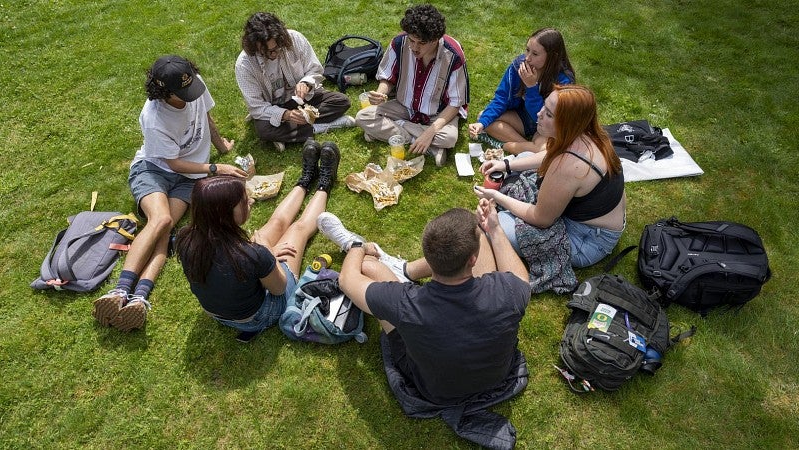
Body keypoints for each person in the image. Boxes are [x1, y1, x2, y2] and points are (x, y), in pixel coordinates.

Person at [316, 204, 531, 411]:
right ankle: (404, 269)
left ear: (428, 258)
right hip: (495, 377)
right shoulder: (508, 292)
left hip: (435, 389)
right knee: (480, 238)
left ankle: (375, 257)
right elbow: (522, 279)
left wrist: (357, 247)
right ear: (472, 261)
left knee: (368, 266)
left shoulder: (406, 302)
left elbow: (347, 280)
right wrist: (494, 228)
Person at [92, 55, 247, 332]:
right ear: (164, 91)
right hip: (154, 171)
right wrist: (214, 167)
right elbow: (173, 163)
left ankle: (139, 298)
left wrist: (221, 144)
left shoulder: (193, 85)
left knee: (166, 231)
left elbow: (206, 115)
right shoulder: (153, 117)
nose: (191, 95)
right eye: (182, 93)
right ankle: (119, 291)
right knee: (161, 221)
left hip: (189, 178)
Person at [176, 140, 340, 339]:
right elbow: (278, 289)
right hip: (259, 314)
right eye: (245, 201)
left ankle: (305, 181)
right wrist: (269, 253)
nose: (251, 201)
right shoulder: (251, 253)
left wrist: (261, 252)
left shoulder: (185, 238)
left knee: (277, 223)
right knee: (298, 230)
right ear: (225, 214)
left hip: (221, 313)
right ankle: (324, 184)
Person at [474, 84, 626, 268]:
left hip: (585, 240)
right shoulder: (587, 133)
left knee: (490, 227)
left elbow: (541, 219)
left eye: (549, 114)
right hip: (595, 221)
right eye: (544, 106)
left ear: (566, 123)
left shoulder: (568, 165)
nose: (539, 113)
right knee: (524, 157)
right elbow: (547, 155)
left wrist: (497, 196)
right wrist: (506, 164)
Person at [355, 4, 469, 167]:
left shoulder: (454, 55)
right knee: (363, 116)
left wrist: (431, 130)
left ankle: (397, 133)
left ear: (435, 39)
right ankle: (427, 145)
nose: (414, 47)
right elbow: (388, 77)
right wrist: (381, 93)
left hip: (437, 113)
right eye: (411, 40)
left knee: (449, 138)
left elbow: (456, 103)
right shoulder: (399, 43)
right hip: (404, 105)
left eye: (421, 43)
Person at [235, 12, 355, 152]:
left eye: (276, 49)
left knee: (341, 101)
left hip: (302, 100)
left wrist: (306, 83)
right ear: (255, 47)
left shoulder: (295, 39)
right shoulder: (244, 65)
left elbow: (315, 69)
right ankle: (325, 126)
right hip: (273, 107)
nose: (273, 55)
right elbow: (256, 107)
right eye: (266, 52)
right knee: (264, 131)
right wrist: (287, 115)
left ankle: (288, 135)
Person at [468, 28, 575, 155]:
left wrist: (531, 88)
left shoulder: (564, 81)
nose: (528, 58)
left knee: (544, 148)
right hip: (523, 117)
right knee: (484, 117)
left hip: (547, 124)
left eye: (535, 54)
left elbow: (545, 115)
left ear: (552, 57)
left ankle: (517, 147)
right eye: (527, 50)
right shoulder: (518, 66)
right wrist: (482, 123)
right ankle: (528, 146)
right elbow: (501, 98)